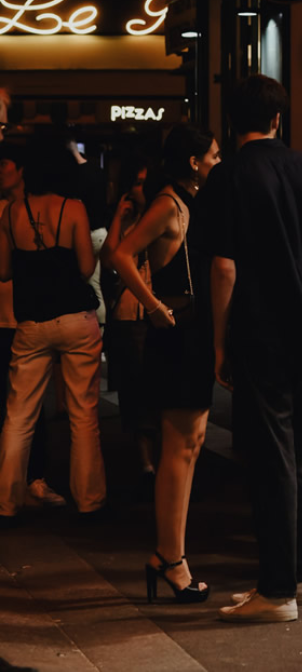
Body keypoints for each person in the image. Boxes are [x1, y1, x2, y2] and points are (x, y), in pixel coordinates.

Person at [206, 76, 302, 624]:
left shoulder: (230, 176)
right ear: (278, 119)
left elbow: (224, 266)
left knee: (271, 459)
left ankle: (276, 591)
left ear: (231, 120)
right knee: (301, 457)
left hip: (260, 334)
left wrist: (219, 342)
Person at [109, 123, 221, 601]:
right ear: (194, 161)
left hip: (189, 328)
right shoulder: (169, 203)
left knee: (190, 443)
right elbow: (120, 254)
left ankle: (169, 556)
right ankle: (170, 559)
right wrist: (152, 305)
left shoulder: (186, 200)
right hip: (176, 329)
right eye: (213, 155)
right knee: (179, 446)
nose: (218, 161)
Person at [0, 139, 106, 521]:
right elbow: (83, 268)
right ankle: (90, 500)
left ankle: (6, 502)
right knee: (83, 413)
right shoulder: (73, 209)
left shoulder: (12, 213)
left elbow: (3, 270)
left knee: (18, 415)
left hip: (31, 323)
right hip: (76, 320)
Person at [0, 142, 62, 509]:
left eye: (4, 162)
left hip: (25, 317)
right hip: (15, 316)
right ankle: (16, 486)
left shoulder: (31, 209)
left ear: (22, 169)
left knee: (28, 407)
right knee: (16, 406)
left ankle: (32, 480)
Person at [102, 154, 158, 495]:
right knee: (136, 392)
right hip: (128, 315)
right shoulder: (128, 222)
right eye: (135, 182)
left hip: (157, 313)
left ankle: (157, 458)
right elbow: (109, 260)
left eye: (143, 182)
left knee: (157, 389)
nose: (139, 188)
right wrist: (117, 218)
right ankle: (146, 461)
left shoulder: (164, 216)